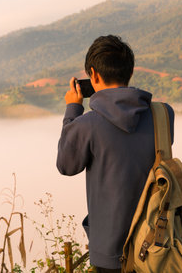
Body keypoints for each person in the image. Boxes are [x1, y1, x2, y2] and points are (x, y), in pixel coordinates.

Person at [56, 35, 174, 272]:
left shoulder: (87, 125)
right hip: (159, 243)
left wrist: (73, 109)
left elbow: (66, 165)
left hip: (111, 253)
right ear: (129, 72)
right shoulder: (163, 114)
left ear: (94, 74)